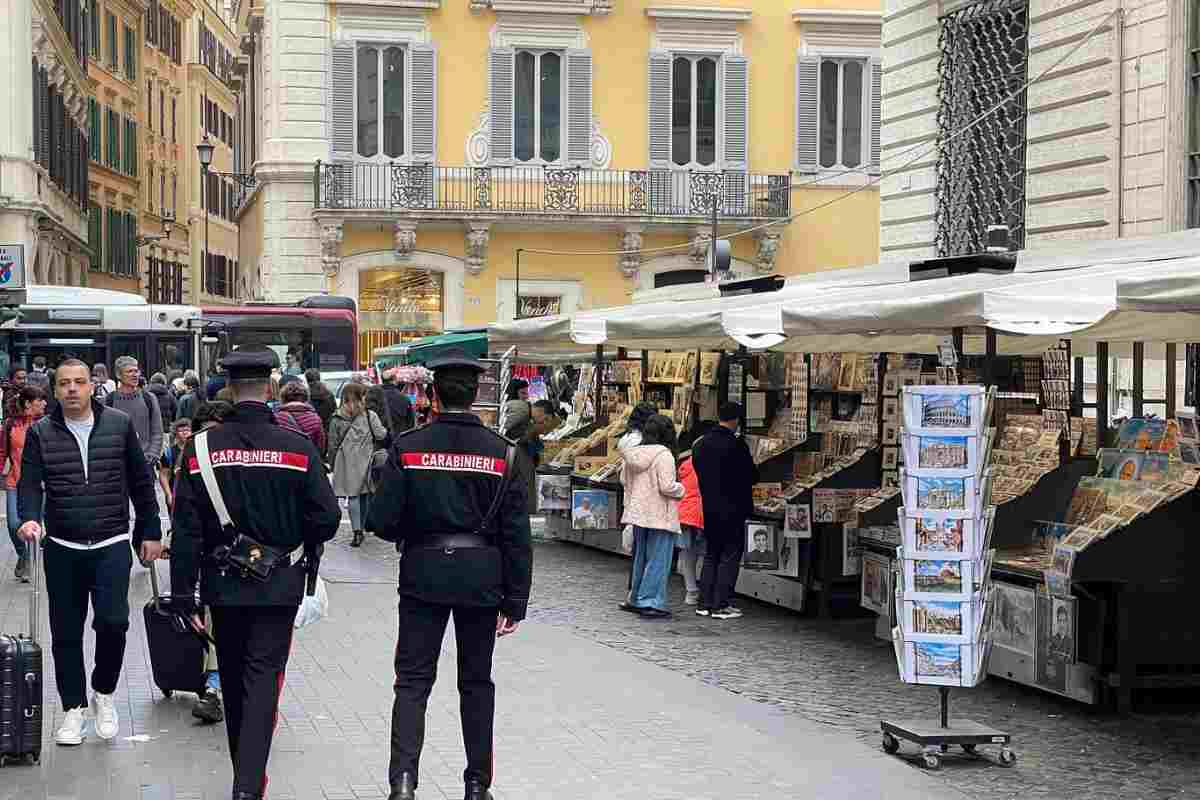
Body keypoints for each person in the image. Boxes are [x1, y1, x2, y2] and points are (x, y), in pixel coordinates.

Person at [170, 348, 340, 800]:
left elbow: (185, 529)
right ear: (269, 389)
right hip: (279, 583)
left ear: (229, 388)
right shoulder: (299, 448)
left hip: (222, 585)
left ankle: (244, 778)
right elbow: (326, 520)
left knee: (230, 676)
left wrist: (184, 596)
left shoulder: (200, 448)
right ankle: (247, 786)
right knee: (263, 678)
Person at [369, 347, 533, 800]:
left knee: (413, 681)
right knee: (476, 682)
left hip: (423, 574)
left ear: (434, 395)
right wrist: (516, 600)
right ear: (476, 393)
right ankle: (477, 784)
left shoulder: (409, 448)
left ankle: (403, 782)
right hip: (483, 578)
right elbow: (517, 533)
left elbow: (380, 521)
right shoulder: (505, 453)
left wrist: (417, 530)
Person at [16, 359, 162, 745]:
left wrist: (150, 529)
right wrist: (29, 518)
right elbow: (30, 483)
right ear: (55, 389)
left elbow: (141, 481)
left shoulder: (118, 424)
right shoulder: (41, 433)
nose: (72, 389)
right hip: (63, 544)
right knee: (65, 631)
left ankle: (104, 692)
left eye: (79, 382)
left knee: (113, 622)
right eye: (64, 383)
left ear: (91, 386)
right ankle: (73, 709)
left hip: (111, 541)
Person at [691, 402, 758, 620]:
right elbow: (751, 475)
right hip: (733, 508)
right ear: (736, 420)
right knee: (729, 556)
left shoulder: (701, 444)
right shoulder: (736, 445)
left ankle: (704, 602)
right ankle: (721, 604)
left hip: (709, 507)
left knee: (711, 554)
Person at [618, 414, 685, 619]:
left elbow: (624, 480)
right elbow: (667, 486)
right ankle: (651, 601)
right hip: (659, 514)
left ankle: (635, 596)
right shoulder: (663, 455)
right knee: (658, 559)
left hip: (639, 513)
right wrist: (681, 489)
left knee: (640, 558)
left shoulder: (634, 454)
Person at [328, 382, 388, 548]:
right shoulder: (370, 415)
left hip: (345, 460)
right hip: (365, 459)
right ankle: (362, 526)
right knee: (365, 494)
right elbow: (381, 434)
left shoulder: (337, 416)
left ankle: (357, 531)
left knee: (352, 495)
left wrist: (332, 463)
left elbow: (332, 443)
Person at [0, 385, 47, 581]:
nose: (44, 403)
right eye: (40, 400)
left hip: (39, 483)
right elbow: (3, 452)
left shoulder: (46, 424)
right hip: (14, 480)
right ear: (28, 403)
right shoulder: (11, 425)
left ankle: (30, 559)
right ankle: (23, 555)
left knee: (34, 523)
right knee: (13, 524)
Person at [107, 356, 164, 468]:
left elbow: (157, 431)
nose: (135, 375)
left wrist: (152, 455)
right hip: (117, 465)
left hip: (144, 462)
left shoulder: (149, 398)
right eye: (129, 371)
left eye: (136, 371)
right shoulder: (108, 400)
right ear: (119, 375)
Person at [274, 380, 327, 454]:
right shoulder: (315, 419)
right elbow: (320, 447)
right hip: (307, 461)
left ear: (283, 398)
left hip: (286, 462)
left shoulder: (277, 418)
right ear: (305, 397)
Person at [159, 418, 193, 515]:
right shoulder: (169, 453)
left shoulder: (198, 449)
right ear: (176, 433)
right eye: (181, 431)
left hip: (195, 495)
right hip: (177, 495)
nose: (185, 433)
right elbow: (164, 475)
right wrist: (168, 494)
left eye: (187, 430)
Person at [381, 368, 415, 433]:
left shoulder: (376, 396)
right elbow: (411, 423)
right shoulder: (404, 398)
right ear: (394, 380)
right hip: (400, 436)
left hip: (383, 437)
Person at [305, 368, 338, 434]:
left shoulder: (305, 395)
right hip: (327, 430)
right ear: (319, 377)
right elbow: (334, 412)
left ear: (307, 380)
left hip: (310, 431)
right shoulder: (329, 394)